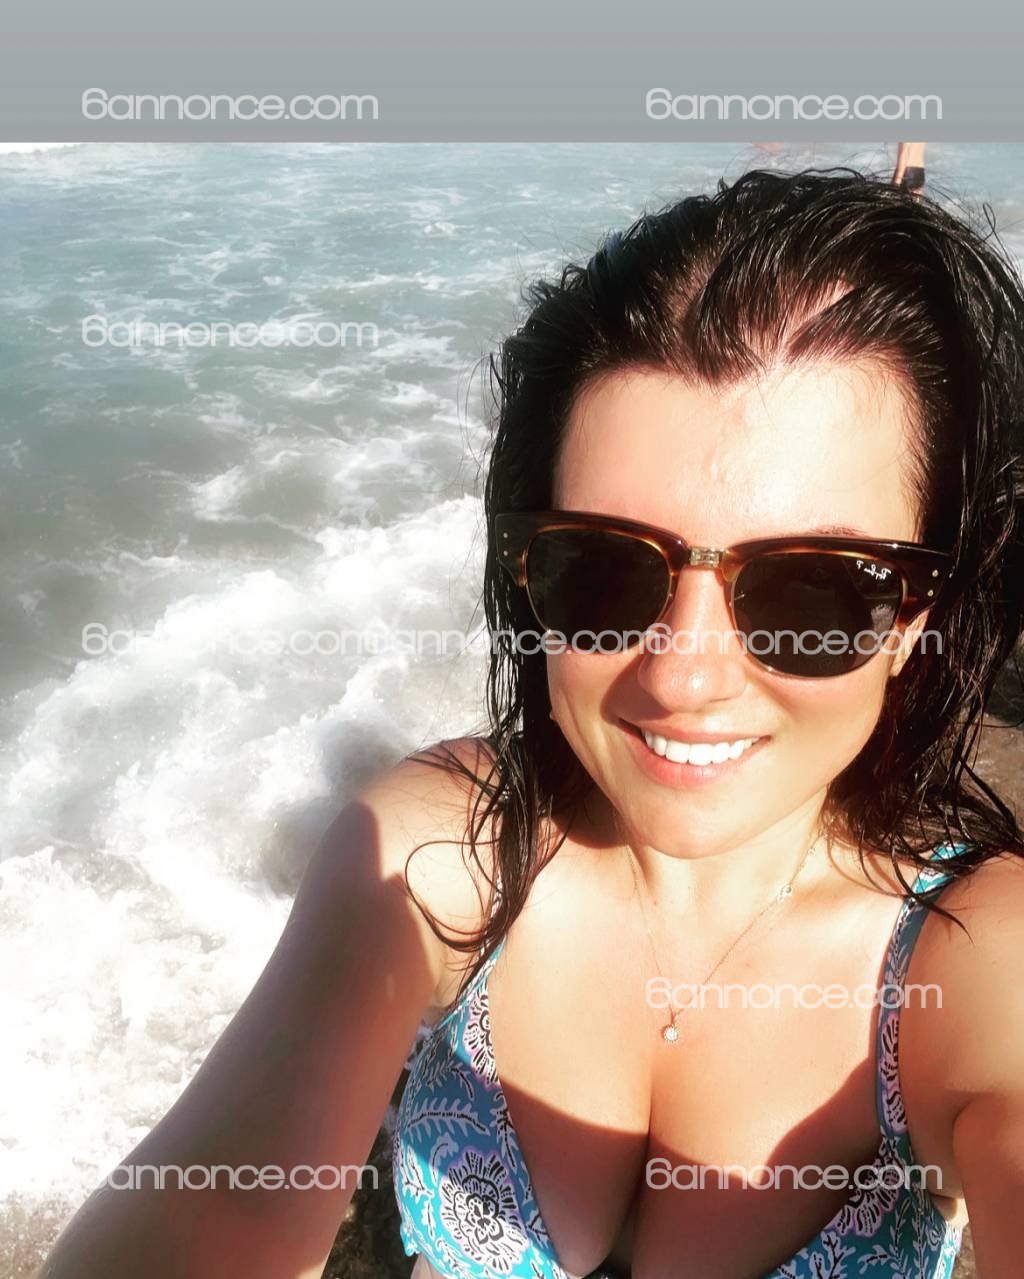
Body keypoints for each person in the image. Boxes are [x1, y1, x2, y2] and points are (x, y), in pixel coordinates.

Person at [39, 168, 1024, 1279]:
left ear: (915, 616)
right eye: (601, 568)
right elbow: (215, 1210)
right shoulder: (443, 847)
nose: (682, 676)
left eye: (815, 588)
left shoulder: (975, 957)